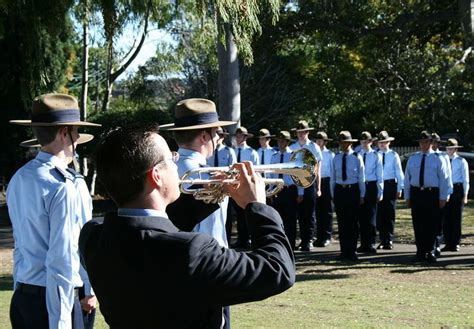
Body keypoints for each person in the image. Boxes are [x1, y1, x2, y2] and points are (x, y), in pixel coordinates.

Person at [79, 124, 295, 329]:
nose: (176, 162)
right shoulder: (191, 252)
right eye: (171, 158)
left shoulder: (93, 237)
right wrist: (256, 205)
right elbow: (278, 269)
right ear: (156, 175)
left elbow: (148, 228)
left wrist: (212, 195)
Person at [7, 93, 99, 329]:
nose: (77, 139)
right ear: (63, 132)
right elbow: (64, 258)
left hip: (25, 295)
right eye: (75, 132)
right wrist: (61, 320)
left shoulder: (19, 178)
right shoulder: (64, 185)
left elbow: (20, 246)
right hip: (57, 300)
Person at [160, 98, 235, 248]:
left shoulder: (162, 169)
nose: (218, 139)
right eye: (216, 133)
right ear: (204, 137)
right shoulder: (207, 178)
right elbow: (214, 236)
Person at [404, 131, 450, 263]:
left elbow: (444, 179)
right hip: (417, 193)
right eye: (421, 142)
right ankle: (420, 252)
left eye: (426, 142)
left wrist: (443, 197)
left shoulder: (438, 158)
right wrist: (407, 196)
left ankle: (430, 251)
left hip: (432, 194)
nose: (423, 144)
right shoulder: (413, 158)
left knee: (432, 224)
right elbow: (407, 179)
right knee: (418, 224)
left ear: (430, 143)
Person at [331, 131, 365, 261]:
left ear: (350, 143)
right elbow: (333, 178)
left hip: (352, 190)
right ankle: (343, 251)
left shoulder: (357, 157)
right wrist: (333, 194)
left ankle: (352, 251)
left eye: (345, 142)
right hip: (340, 190)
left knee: (353, 223)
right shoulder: (336, 158)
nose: (343, 145)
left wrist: (362, 194)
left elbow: (361, 177)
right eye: (341, 143)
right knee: (342, 222)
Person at [289, 120, 322, 251]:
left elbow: (318, 169)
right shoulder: (292, 148)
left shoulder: (314, 147)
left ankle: (308, 240)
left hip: (310, 183)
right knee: (298, 214)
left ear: (307, 132)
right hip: (296, 183)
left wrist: (319, 187)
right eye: (299, 132)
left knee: (309, 214)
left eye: (303, 132)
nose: (301, 134)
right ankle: (300, 240)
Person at [206, 127, 237, 246]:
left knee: (225, 217)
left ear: (223, 137)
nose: (217, 137)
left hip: (224, 188)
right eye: (216, 134)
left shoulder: (229, 151)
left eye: (220, 135)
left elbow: (233, 171)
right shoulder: (208, 151)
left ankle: (226, 243)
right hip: (209, 188)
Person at [375, 131, 404, 250]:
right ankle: (382, 239)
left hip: (390, 184)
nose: (382, 145)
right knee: (380, 214)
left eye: (384, 142)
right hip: (378, 185)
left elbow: (399, 171)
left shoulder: (393, 155)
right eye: (380, 142)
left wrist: (400, 188)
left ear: (389, 143)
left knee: (389, 213)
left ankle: (389, 239)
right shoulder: (374, 154)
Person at [270, 131, 298, 249]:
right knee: (278, 219)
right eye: (278, 141)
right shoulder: (274, 156)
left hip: (289, 190)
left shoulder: (293, 156)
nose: (280, 143)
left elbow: (297, 175)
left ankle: (290, 245)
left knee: (290, 219)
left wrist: (300, 193)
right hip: (278, 190)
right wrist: (271, 191)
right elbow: (271, 175)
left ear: (287, 142)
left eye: (282, 141)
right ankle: (280, 245)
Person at [356, 132, 383, 254]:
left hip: (371, 185)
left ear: (371, 142)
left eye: (366, 141)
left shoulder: (376, 155)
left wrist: (380, 192)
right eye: (362, 141)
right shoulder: (357, 155)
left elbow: (380, 175)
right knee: (361, 217)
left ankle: (371, 243)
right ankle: (363, 243)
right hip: (361, 185)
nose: (364, 143)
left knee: (371, 216)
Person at [232, 126, 259, 248]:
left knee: (248, 212)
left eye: (240, 136)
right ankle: (241, 238)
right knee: (239, 214)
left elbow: (256, 171)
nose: (238, 138)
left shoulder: (251, 152)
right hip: (235, 184)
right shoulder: (232, 151)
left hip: (247, 184)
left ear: (245, 137)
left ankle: (249, 238)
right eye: (237, 136)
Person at [442, 138, 469, 251]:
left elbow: (465, 179)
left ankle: (455, 242)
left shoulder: (461, 161)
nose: (450, 150)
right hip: (447, 189)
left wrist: (465, 195)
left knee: (456, 217)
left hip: (457, 189)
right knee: (446, 217)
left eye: (452, 148)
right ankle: (448, 242)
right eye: (448, 148)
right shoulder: (443, 160)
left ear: (456, 149)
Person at [431, 132, 453, 256]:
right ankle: (429, 245)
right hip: (429, 192)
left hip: (440, 192)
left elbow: (447, 176)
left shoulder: (443, 156)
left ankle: (437, 244)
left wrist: (447, 194)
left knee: (438, 220)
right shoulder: (426, 155)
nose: (432, 144)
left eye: (434, 142)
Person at [313, 131, 334, 247]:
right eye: (317, 140)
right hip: (316, 181)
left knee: (327, 211)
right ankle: (319, 236)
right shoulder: (314, 153)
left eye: (321, 140)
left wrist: (332, 189)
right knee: (318, 211)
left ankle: (327, 236)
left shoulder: (330, 154)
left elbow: (332, 172)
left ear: (325, 142)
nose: (318, 142)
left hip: (326, 181)